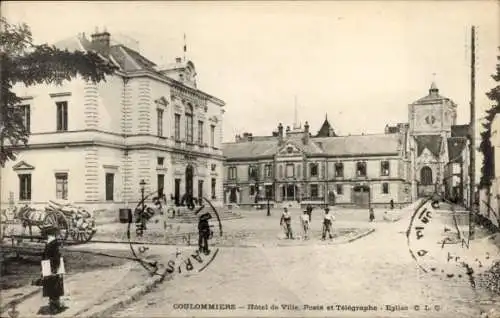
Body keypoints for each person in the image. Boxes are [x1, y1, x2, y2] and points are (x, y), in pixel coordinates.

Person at [41, 226, 66, 313]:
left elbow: (56, 257)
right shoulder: (52, 243)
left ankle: (54, 307)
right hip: (50, 267)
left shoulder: (52, 244)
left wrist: (54, 269)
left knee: (53, 287)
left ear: (49, 235)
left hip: (51, 268)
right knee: (54, 287)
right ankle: (55, 305)